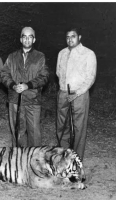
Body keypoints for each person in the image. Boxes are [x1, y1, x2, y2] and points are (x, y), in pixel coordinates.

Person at [1, 27, 49, 147]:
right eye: (24, 36)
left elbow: (44, 76)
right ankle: (19, 160)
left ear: (34, 39)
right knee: (17, 133)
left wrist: (28, 85)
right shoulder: (12, 57)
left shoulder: (40, 57)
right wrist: (12, 85)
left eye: (30, 37)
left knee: (34, 133)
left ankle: (34, 162)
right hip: (15, 100)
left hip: (33, 100)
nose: (27, 39)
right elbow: (4, 74)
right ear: (20, 39)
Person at [56, 28, 97, 160]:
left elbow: (90, 77)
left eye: (73, 36)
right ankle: (64, 156)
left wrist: (77, 92)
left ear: (79, 37)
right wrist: (63, 88)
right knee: (62, 125)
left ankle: (76, 159)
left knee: (79, 127)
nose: (70, 39)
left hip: (79, 94)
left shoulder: (88, 54)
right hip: (63, 93)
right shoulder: (62, 53)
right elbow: (58, 72)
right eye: (67, 37)